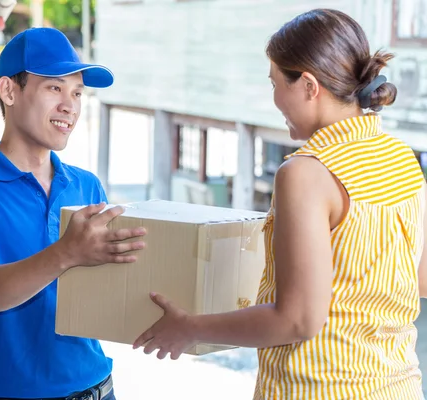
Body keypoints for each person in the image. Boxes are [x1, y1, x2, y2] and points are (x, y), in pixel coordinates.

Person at [133, 8, 427, 399]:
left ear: (307, 85)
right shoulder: (399, 155)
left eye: (275, 83)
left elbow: (297, 320)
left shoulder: (307, 173)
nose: (273, 98)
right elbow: (419, 280)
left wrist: (190, 327)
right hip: (398, 386)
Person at [0, 27, 147, 400]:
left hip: (96, 387)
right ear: (9, 91)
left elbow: (103, 293)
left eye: (77, 93)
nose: (70, 106)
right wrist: (66, 253)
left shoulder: (85, 185)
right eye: (54, 88)